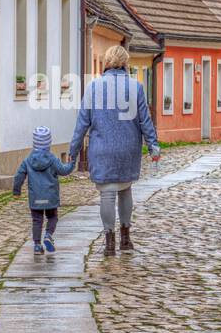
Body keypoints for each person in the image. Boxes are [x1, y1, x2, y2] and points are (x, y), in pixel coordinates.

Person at [68, 44, 160, 257]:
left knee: (107, 195)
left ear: (106, 63)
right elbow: (145, 120)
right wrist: (153, 144)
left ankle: (109, 242)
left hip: (102, 149)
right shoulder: (135, 87)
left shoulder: (93, 87)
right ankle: (126, 238)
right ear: (125, 63)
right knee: (125, 189)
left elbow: (83, 122)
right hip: (127, 148)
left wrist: (73, 149)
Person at [12, 126, 74, 254]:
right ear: (49, 143)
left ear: (34, 142)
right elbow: (63, 170)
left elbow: (19, 175)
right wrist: (71, 163)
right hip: (50, 196)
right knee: (52, 217)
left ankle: (37, 245)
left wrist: (16, 191)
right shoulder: (52, 159)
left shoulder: (28, 160)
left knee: (37, 220)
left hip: (35, 197)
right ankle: (48, 235)